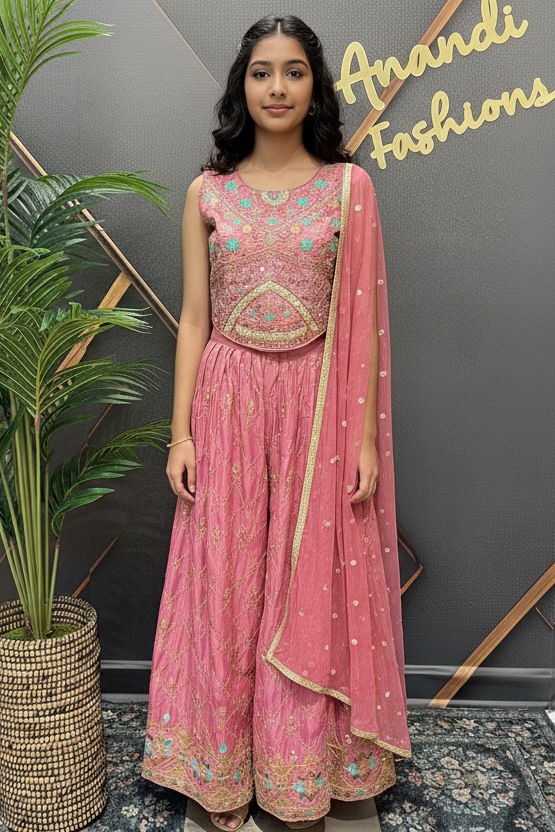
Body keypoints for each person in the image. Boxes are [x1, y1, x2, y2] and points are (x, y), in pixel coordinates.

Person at [141, 14, 411, 830]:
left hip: (316, 405)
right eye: (262, 72)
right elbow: (193, 316)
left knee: (305, 586)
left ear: (314, 87)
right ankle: (222, 770)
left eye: (294, 72)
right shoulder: (206, 191)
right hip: (226, 401)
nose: (277, 88)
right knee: (227, 584)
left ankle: (301, 775)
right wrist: (180, 432)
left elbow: (361, 321)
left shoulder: (347, 188)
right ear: (241, 86)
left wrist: (361, 438)